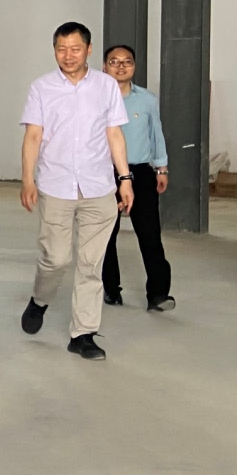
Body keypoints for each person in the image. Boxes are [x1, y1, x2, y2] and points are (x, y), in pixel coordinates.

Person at [19, 22, 134, 361]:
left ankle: (83, 334)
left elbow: (114, 134)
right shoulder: (41, 88)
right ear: (54, 50)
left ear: (89, 49)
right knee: (55, 259)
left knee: (90, 264)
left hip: (99, 187)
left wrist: (125, 178)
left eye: (75, 49)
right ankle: (40, 299)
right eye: (61, 49)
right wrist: (27, 179)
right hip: (55, 186)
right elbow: (33, 136)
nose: (68, 56)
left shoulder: (105, 86)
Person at [100, 44, 174, 312]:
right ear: (104, 66)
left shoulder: (147, 100)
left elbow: (156, 133)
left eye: (127, 61)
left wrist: (161, 167)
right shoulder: (95, 98)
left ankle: (158, 294)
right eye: (114, 61)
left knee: (150, 234)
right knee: (105, 235)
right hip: (104, 172)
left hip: (141, 172)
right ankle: (111, 289)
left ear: (134, 66)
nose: (120, 67)